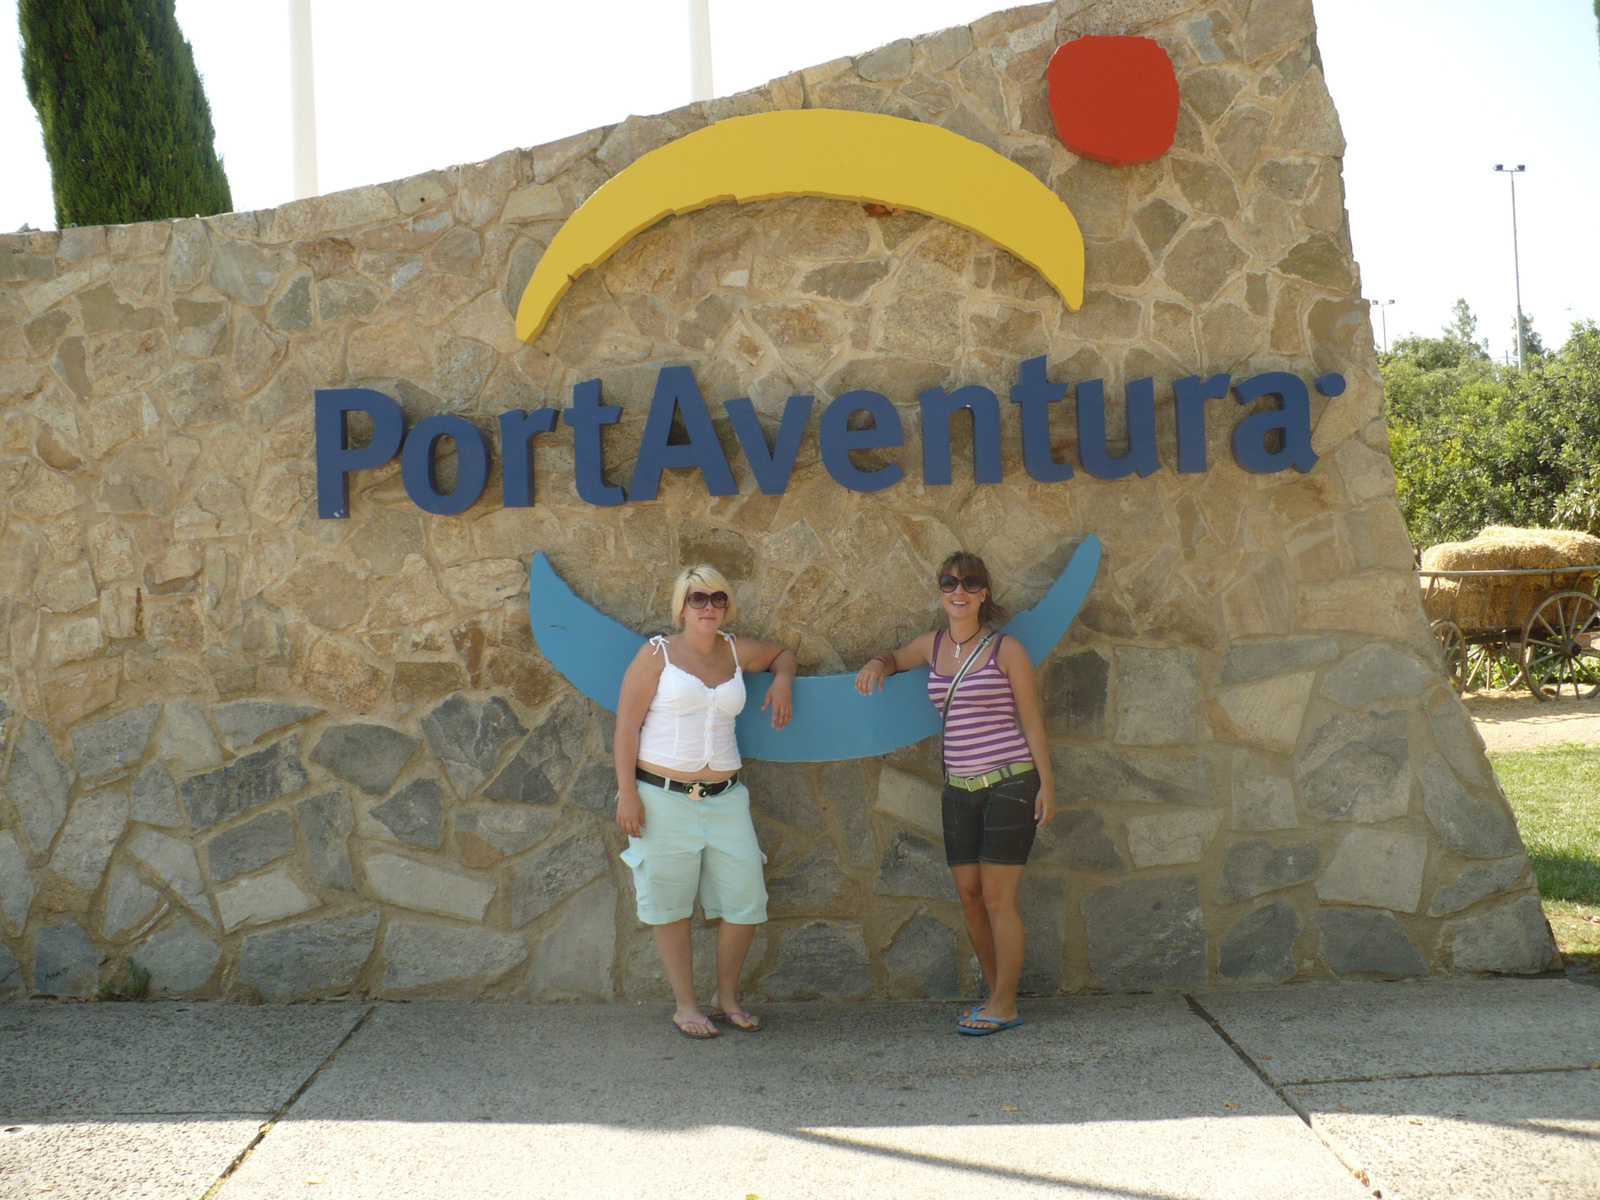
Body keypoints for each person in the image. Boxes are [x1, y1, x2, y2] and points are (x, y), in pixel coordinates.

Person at [854, 552, 1055, 1035]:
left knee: (998, 898)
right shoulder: (933, 644)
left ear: (984, 593)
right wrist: (878, 663)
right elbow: (897, 657)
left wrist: (1048, 784)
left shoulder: (1006, 650)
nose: (958, 591)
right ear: (941, 591)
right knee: (969, 896)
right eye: (949, 582)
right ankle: (995, 997)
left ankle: (1005, 1005)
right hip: (958, 790)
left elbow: (1030, 719)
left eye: (969, 583)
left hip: (1010, 783)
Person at [614, 564, 796, 1039]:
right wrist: (628, 793)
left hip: (726, 800)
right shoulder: (657, 654)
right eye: (698, 598)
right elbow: (627, 727)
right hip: (662, 797)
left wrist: (782, 680)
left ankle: (726, 997)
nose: (709, 606)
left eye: (717, 598)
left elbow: (783, 653)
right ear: (681, 606)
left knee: (746, 900)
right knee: (670, 903)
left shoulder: (737, 651)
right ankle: (686, 1006)